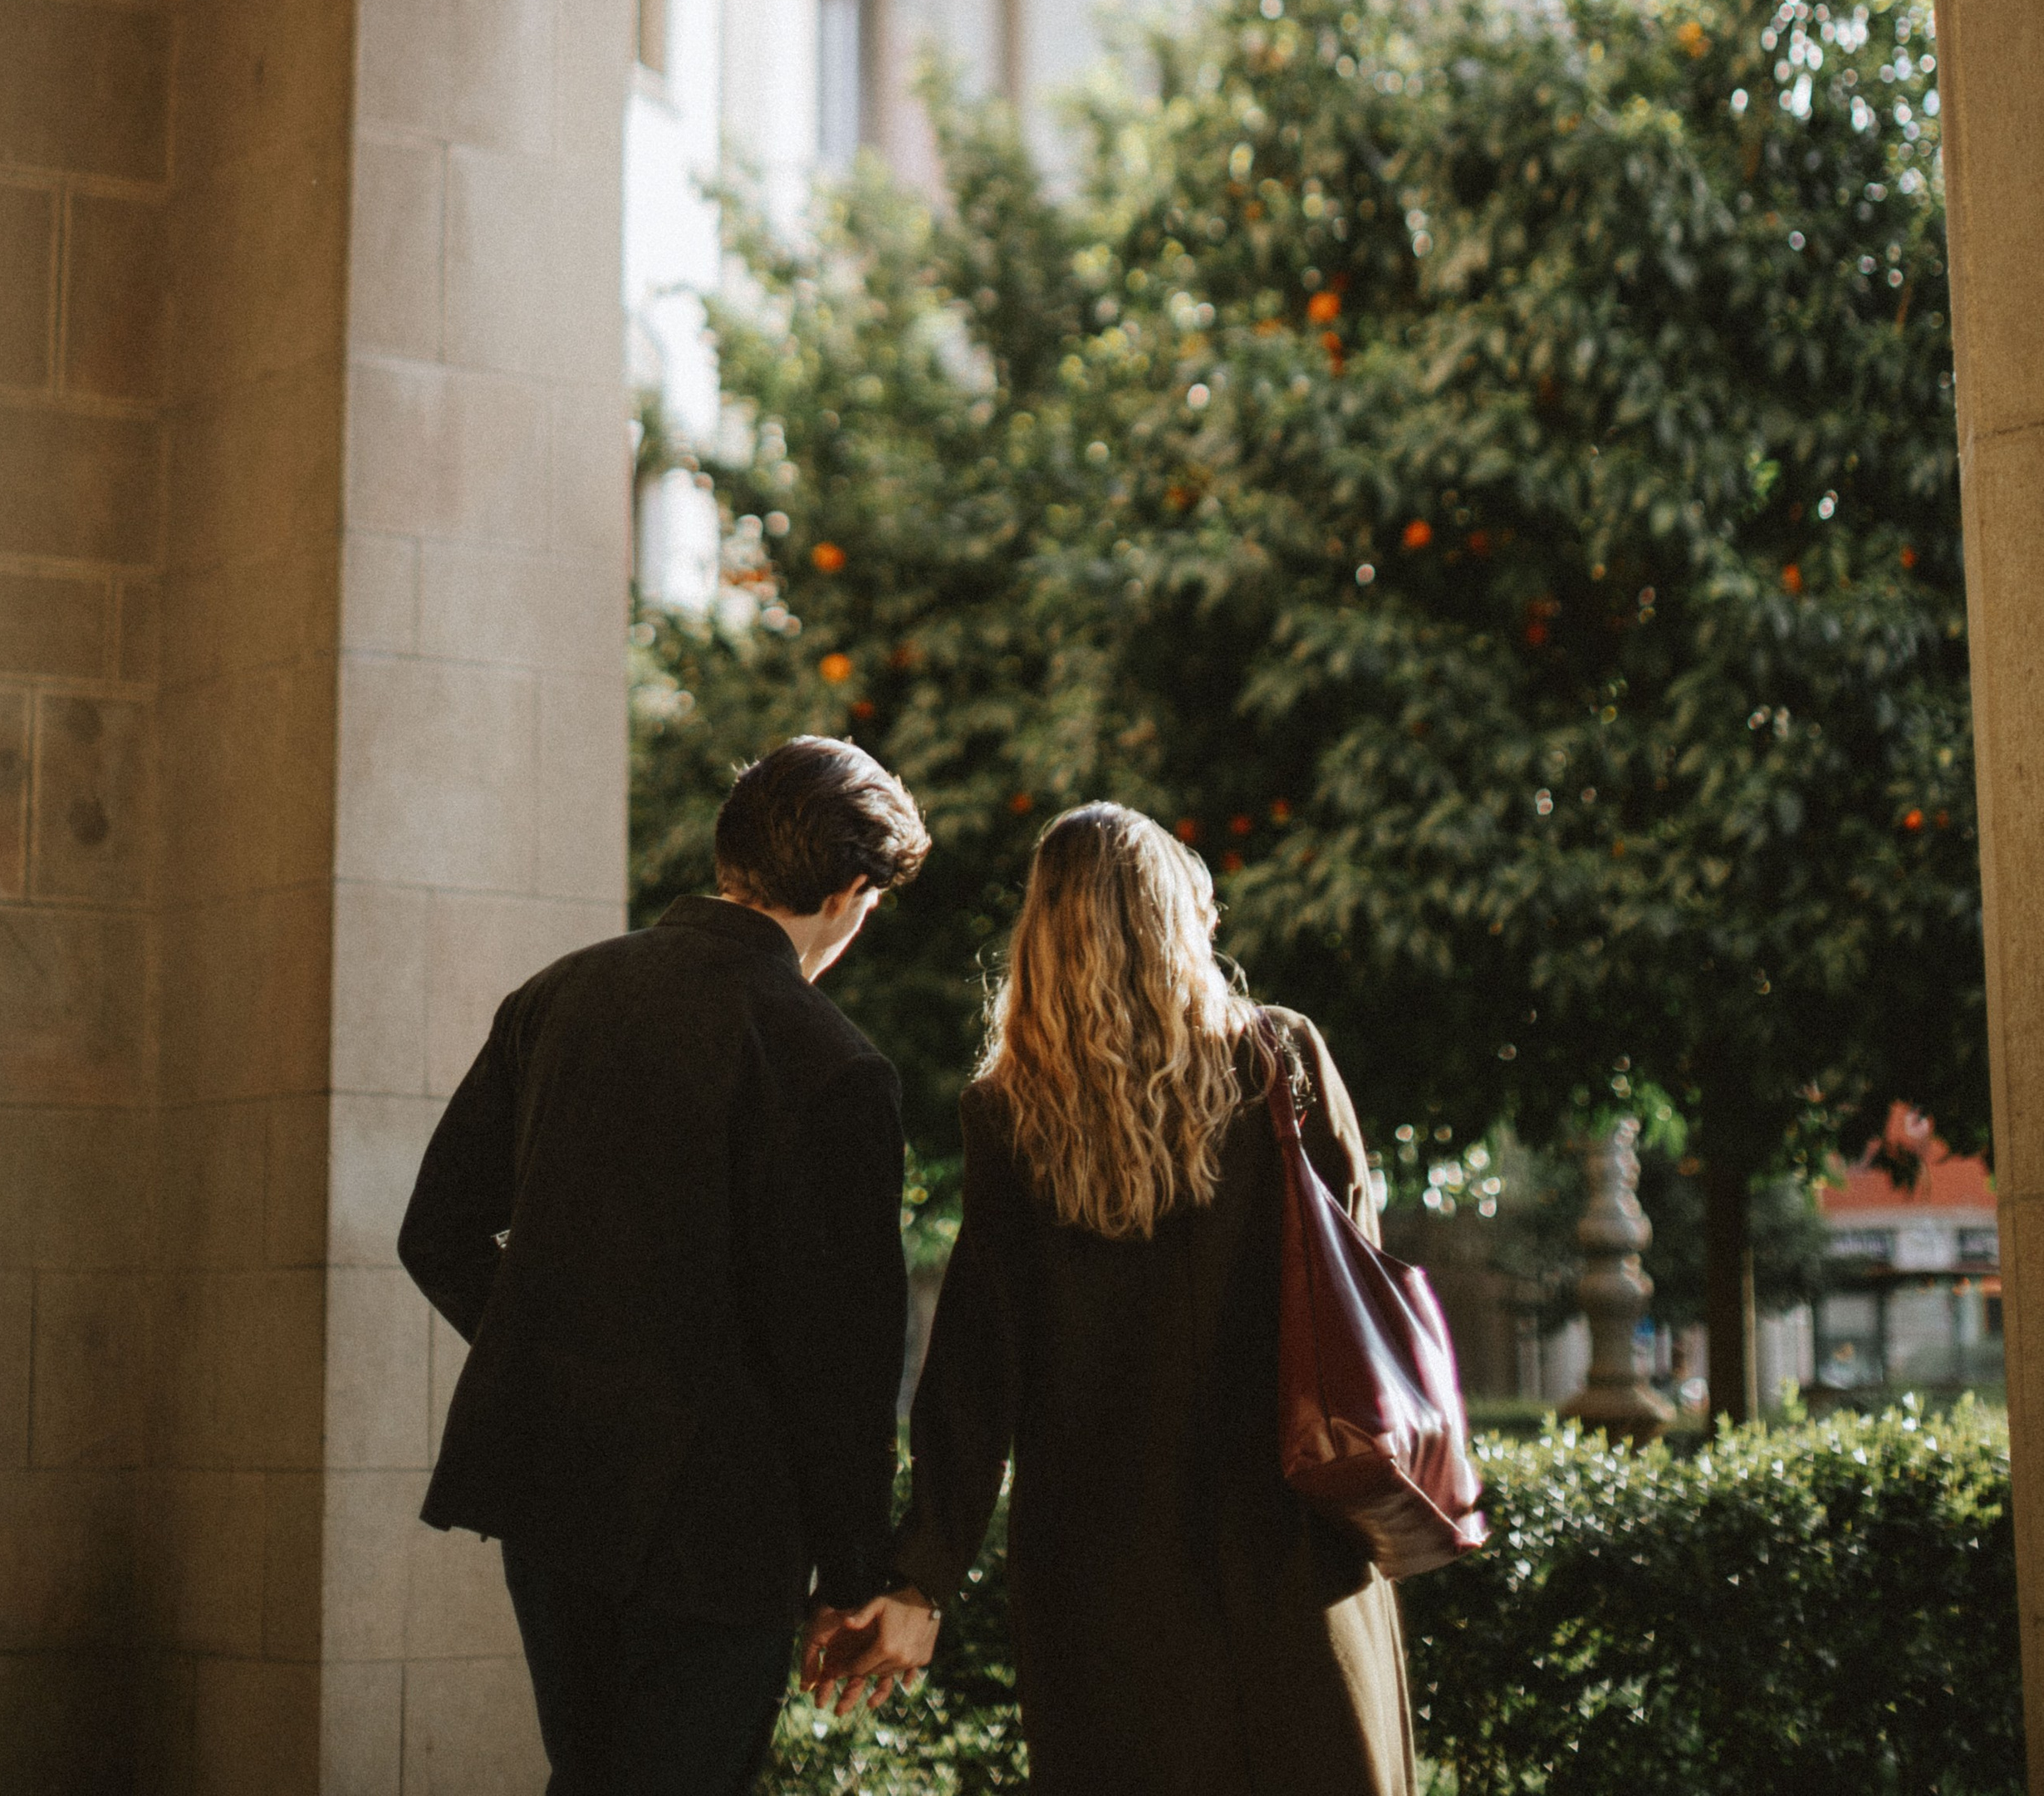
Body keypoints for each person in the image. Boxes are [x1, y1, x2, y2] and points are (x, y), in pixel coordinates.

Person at [806, 800, 1417, 1794]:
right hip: (1290, 1533)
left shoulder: (1008, 1114)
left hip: (1103, 1566)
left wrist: (920, 1577)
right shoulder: (1281, 1060)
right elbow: (1357, 1272)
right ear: (1181, 918)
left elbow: (976, 1363)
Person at [398, 734, 929, 1796]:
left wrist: (555, 1340)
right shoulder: (831, 1063)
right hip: (724, 1515)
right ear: (850, 888)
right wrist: (854, 1571)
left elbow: (436, 1233)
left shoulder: (559, 997)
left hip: (551, 1479)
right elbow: (843, 1359)